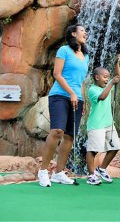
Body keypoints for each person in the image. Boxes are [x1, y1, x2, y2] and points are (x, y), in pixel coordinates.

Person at [38, 24, 89, 187]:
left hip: (77, 98)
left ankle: (59, 173)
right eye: (82, 31)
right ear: (73, 34)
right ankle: (43, 171)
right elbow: (57, 74)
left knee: (69, 136)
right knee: (57, 131)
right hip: (60, 95)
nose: (85, 33)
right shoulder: (64, 50)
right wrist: (71, 93)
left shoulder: (85, 55)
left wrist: (83, 99)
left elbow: (81, 80)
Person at [85, 53, 120, 185]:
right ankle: (90, 175)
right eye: (105, 77)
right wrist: (111, 83)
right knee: (93, 150)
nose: (107, 79)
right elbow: (102, 97)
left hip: (108, 124)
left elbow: (117, 77)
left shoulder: (107, 86)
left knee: (115, 147)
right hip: (96, 125)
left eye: (108, 77)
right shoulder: (92, 89)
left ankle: (101, 169)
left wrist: (116, 63)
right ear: (97, 77)